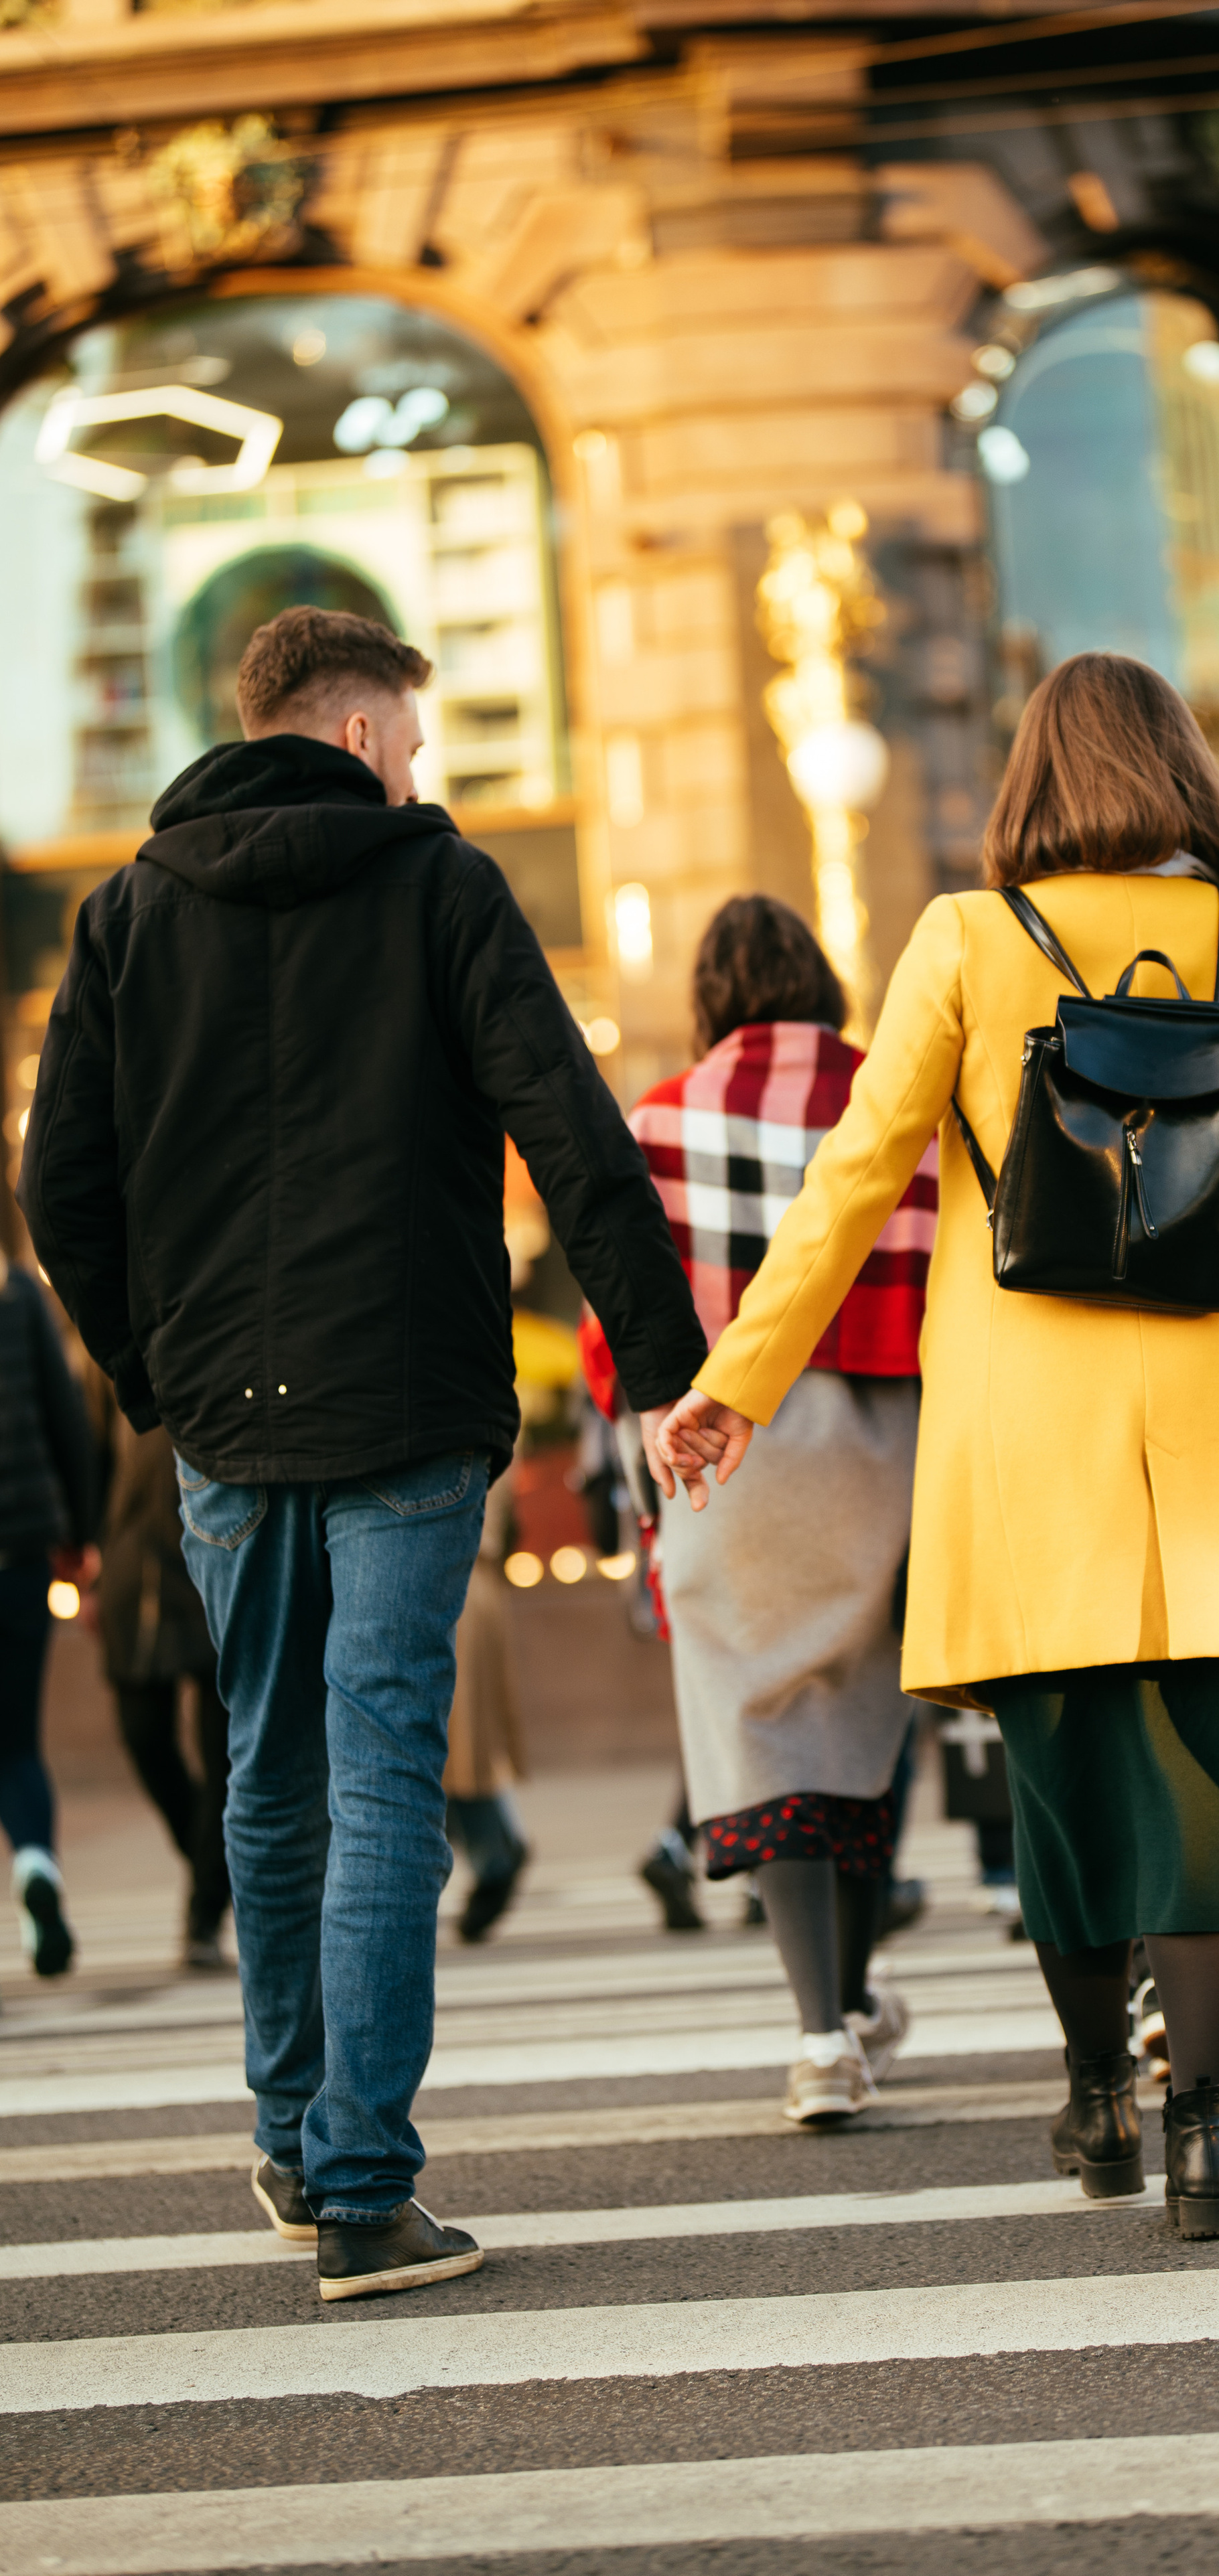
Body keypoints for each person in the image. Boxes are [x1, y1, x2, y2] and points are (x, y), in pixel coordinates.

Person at [660, 652, 1219, 2233]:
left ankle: (1097, 2101)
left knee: (1067, 1777)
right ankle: (1203, 2126)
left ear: (1031, 780)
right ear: (1184, 776)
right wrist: (1210, 1284)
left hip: (1028, 1426)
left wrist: (735, 1379)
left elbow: (856, 1182)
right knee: (1218, 1772)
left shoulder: (962, 938)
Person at [19, 605, 705, 2299]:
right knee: (387, 1755)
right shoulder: (435, 884)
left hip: (226, 1419)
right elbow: (570, 1132)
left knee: (269, 1755)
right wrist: (666, 1369)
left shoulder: (124, 915)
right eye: (411, 736)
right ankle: (363, 2186)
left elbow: (61, 1191)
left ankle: (290, 2130)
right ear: (353, 735)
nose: (422, 768)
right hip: (407, 1394)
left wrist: (149, 1372)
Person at [588, 893, 936, 2121]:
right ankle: (853, 1997)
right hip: (890, 1436)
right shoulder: (897, 1096)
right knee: (872, 1713)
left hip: (725, 1443)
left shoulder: (662, 1119)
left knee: (762, 1719)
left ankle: (818, 2035)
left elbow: (616, 1318)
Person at [94, 1412, 231, 1969]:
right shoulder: (104, 1367)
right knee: (143, 1734)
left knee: (227, 1756)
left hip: (219, 1557)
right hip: (134, 1569)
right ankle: (216, 1865)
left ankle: (205, 1909)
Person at [0, 1244, 97, 1977]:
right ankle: (37, 1864)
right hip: (21, 1548)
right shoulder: (17, 1289)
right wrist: (80, 1535)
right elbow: (65, 1414)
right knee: (17, 1740)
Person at [443, 1466, 529, 1943]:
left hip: (457, 1573)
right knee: (463, 1742)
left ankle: (495, 1849)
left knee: (456, 1743)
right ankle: (496, 1844)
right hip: (475, 1576)